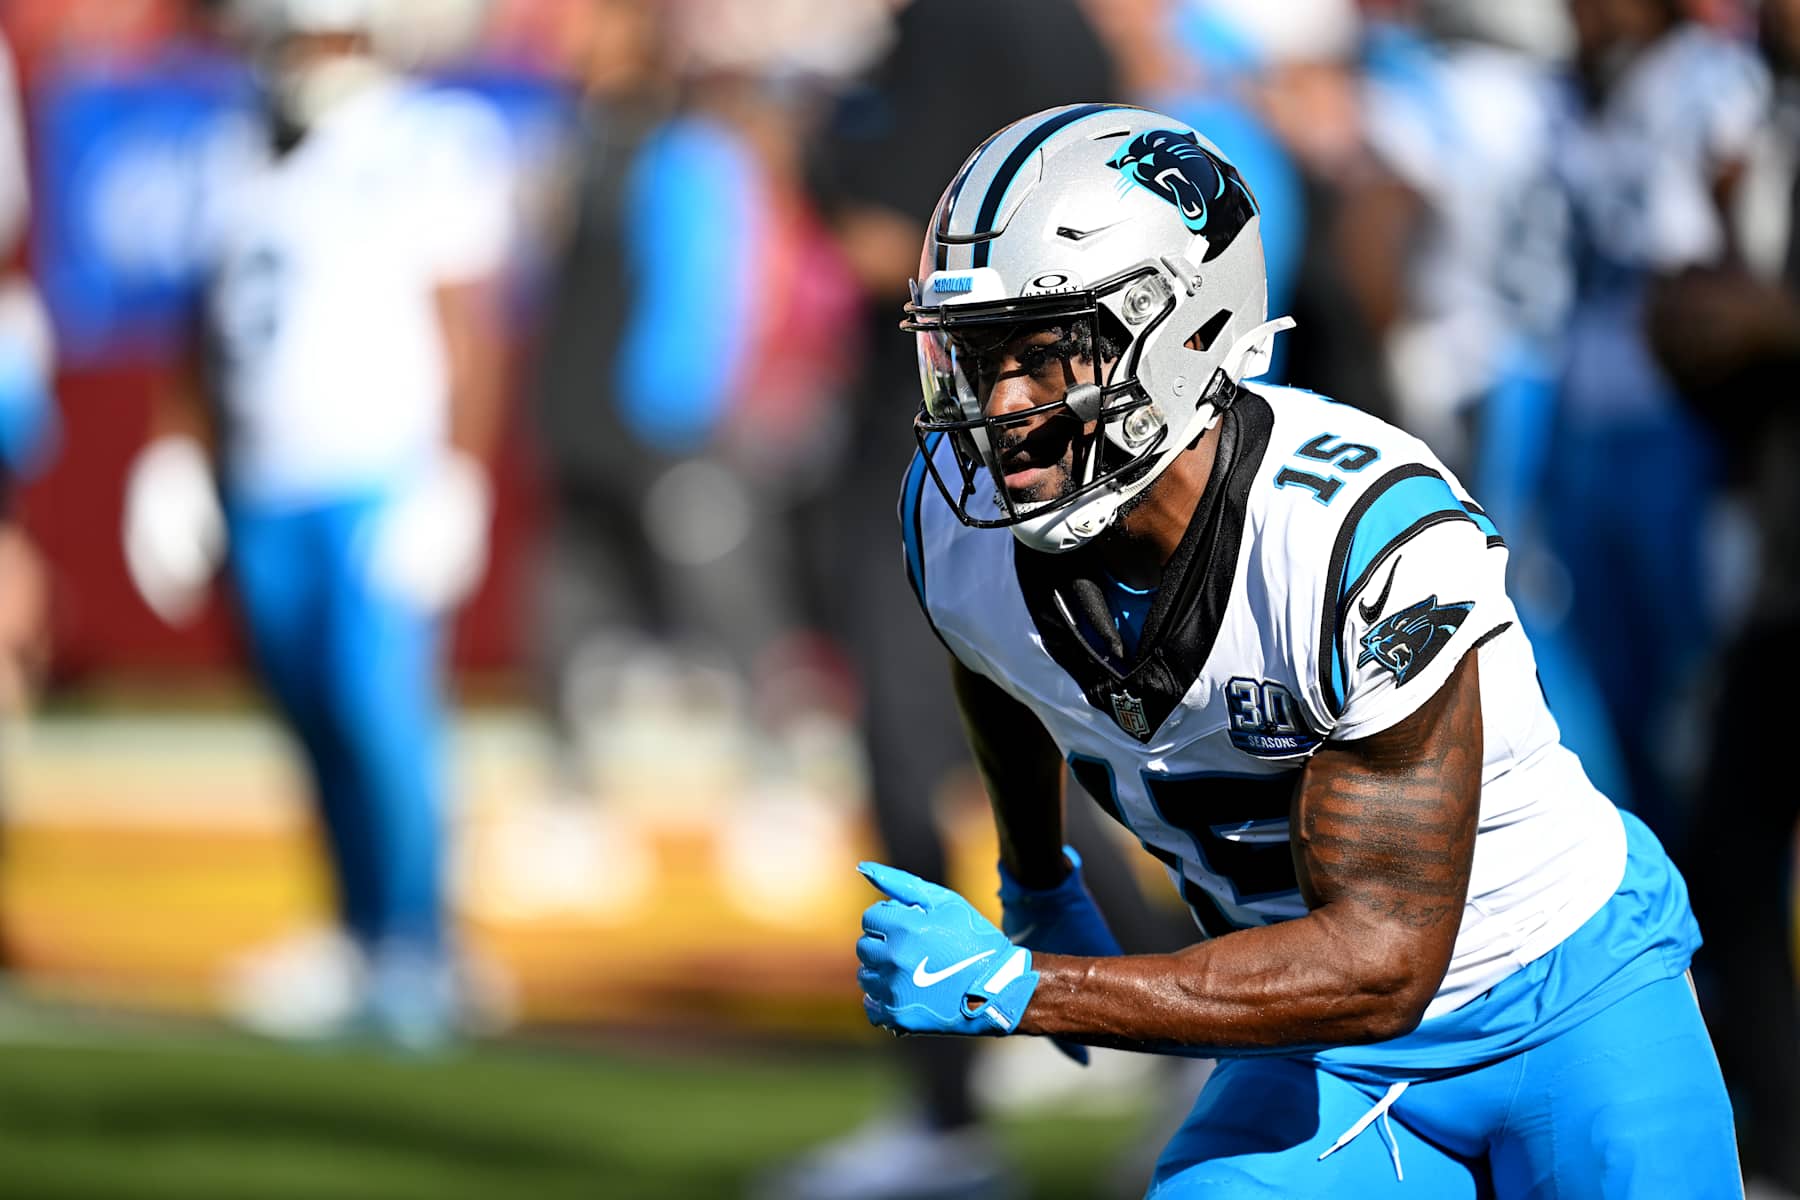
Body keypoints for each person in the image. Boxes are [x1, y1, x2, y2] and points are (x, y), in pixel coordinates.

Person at [853, 103, 1741, 1197]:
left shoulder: (1353, 539)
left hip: (1561, 1001)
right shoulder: (956, 527)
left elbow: (1382, 963)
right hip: (1317, 1050)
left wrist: (1024, 985)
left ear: (1176, 332)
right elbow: (996, 656)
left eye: (1044, 355)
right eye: (978, 356)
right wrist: (1035, 870)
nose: (1002, 410)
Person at [119, 0, 512, 1050]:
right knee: (307, 712)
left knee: (380, 712)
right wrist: (174, 452)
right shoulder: (232, 145)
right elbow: (204, 320)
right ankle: (355, 933)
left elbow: (470, 326)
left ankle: (423, 946)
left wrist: (458, 475)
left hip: (376, 473)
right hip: (265, 479)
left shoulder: (433, 141)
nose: (303, 58)